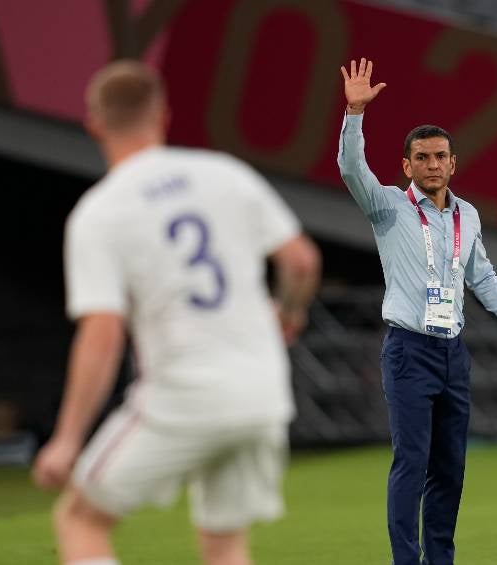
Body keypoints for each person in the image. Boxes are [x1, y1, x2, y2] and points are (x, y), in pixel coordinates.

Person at [31, 60, 321, 565]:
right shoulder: (225, 174)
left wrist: (67, 437)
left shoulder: (100, 213)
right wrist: (290, 314)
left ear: (95, 123)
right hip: (261, 393)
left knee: (79, 520)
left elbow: (102, 331)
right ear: (163, 114)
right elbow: (301, 260)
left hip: (182, 398)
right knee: (226, 546)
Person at [337, 58, 497, 564]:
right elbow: (350, 168)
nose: (432, 164)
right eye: (422, 157)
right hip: (409, 351)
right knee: (411, 464)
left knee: (450, 470)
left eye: (440, 156)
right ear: (406, 165)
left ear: (453, 163)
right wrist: (353, 113)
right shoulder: (387, 206)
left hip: (454, 353)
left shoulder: (467, 215)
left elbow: (484, 280)